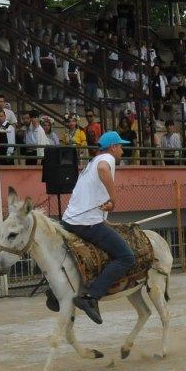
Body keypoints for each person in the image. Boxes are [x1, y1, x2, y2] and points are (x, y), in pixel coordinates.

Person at [61, 131, 136, 324]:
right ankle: (91, 297)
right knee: (126, 256)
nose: (122, 149)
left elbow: (91, 195)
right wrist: (114, 199)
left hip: (70, 220)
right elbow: (104, 170)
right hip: (85, 222)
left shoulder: (92, 162)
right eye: (120, 146)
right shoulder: (106, 159)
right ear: (112, 147)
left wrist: (105, 220)